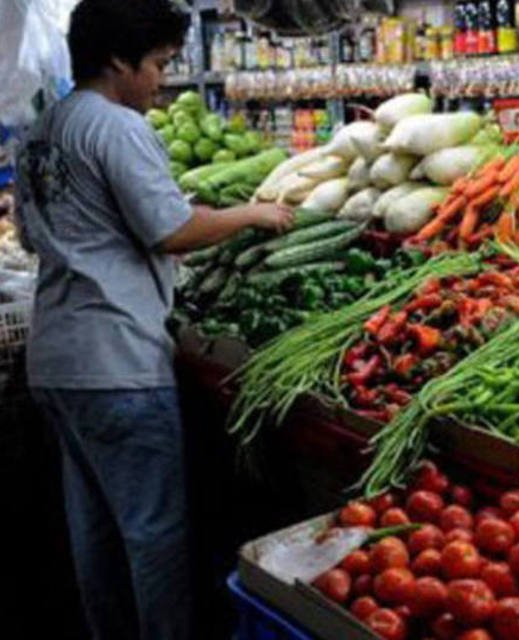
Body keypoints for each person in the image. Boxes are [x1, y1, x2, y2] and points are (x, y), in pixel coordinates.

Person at [13, 1, 293, 638]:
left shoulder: (43, 130)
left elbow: (34, 237)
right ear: (119, 60)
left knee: (97, 531)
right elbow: (171, 231)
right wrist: (254, 216)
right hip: (118, 362)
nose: (163, 81)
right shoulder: (117, 127)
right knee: (153, 535)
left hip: (56, 358)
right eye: (161, 64)